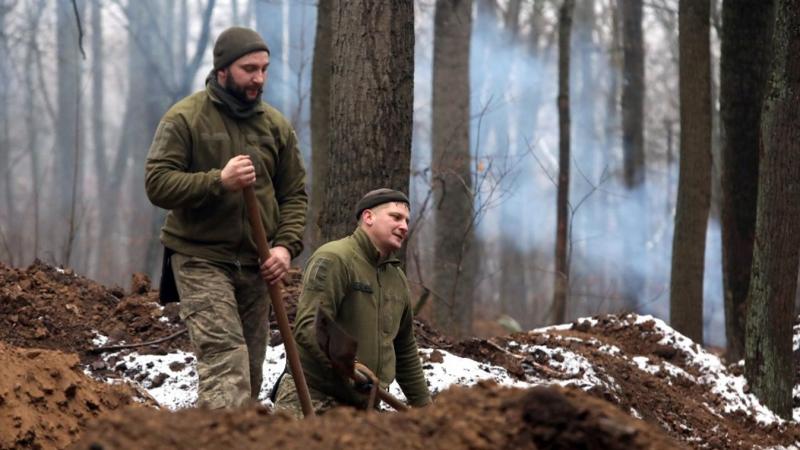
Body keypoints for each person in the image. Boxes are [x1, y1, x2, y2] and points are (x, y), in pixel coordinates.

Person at [145, 26, 307, 409]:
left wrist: (285, 248)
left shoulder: (276, 126)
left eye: (264, 69)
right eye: (249, 69)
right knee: (225, 359)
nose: (259, 78)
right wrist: (219, 180)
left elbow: (295, 195)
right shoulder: (184, 119)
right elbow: (158, 184)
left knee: (249, 372)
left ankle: (232, 434)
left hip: (257, 263)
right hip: (200, 257)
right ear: (222, 71)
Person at [273, 188, 431, 417]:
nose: (404, 226)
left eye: (407, 220)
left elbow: (404, 350)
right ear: (368, 217)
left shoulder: (397, 280)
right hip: (312, 399)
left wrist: (426, 411)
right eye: (395, 217)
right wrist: (351, 367)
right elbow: (309, 327)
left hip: (363, 407)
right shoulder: (335, 258)